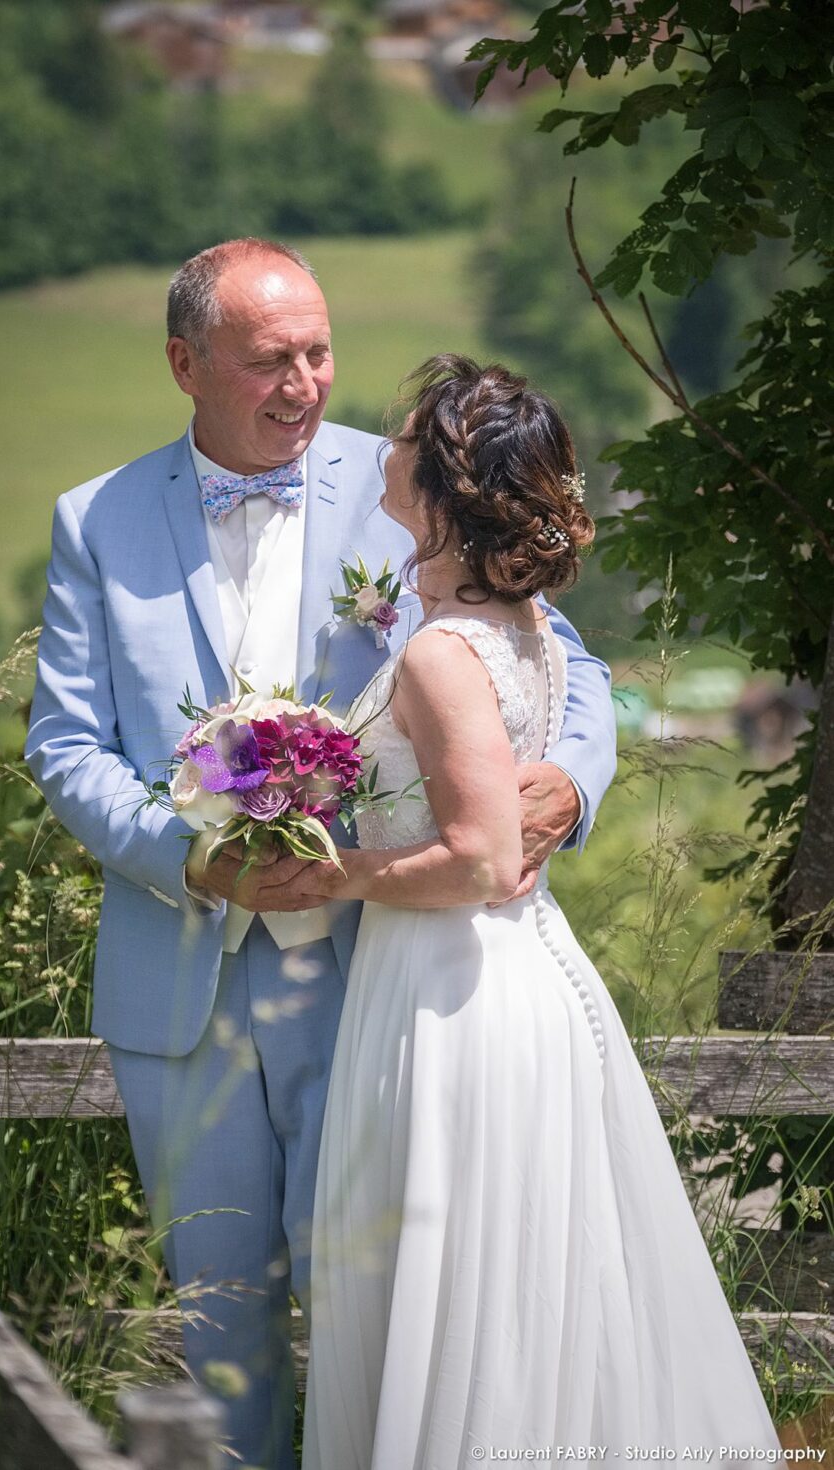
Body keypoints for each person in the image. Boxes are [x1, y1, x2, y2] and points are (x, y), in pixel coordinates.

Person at [23, 242, 618, 1470]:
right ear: (185, 363)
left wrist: (571, 777)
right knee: (220, 1323)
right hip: (181, 983)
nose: (303, 385)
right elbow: (70, 748)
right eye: (266, 361)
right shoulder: (94, 519)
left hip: (376, 972)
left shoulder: (408, 479)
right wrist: (188, 862)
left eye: (317, 352)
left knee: (382, 1311)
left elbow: (560, 658)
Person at [292, 355, 783, 1467]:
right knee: (520, 1286)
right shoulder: (519, 624)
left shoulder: (437, 651)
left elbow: (475, 859)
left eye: (404, 438)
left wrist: (341, 873)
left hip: (450, 992)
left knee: (467, 1279)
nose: (385, 449)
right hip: (494, 973)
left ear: (441, 482)